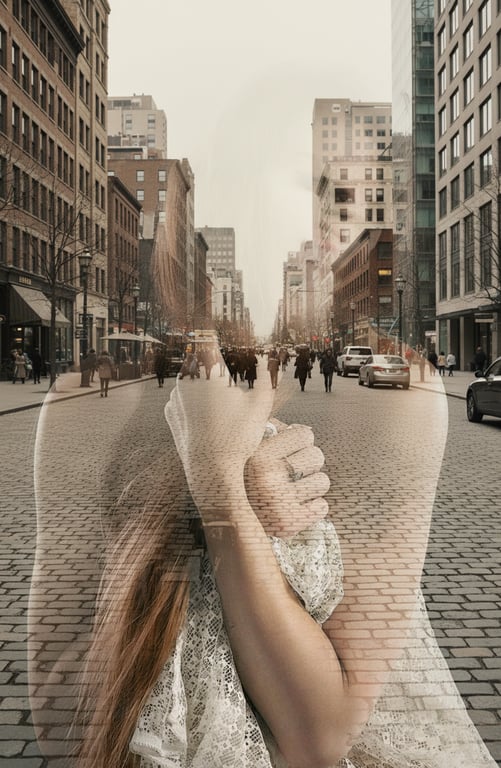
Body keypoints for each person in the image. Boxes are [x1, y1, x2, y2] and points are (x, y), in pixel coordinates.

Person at [30, 346, 499, 768]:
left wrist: (218, 484)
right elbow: (59, 717)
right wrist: (207, 503)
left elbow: (320, 740)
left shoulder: (393, 410)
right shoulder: (79, 402)